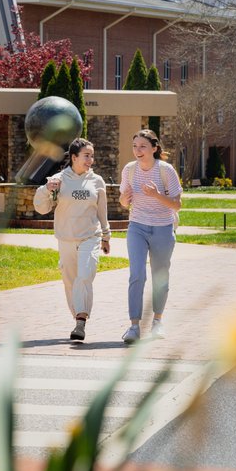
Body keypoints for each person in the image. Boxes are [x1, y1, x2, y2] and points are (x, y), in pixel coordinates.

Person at [33, 138, 111, 343]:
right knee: (70, 282)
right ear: (74, 157)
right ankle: (77, 318)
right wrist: (45, 189)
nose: (90, 160)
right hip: (66, 238)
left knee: (84, 276)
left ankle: (81, 321)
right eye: (86, 155)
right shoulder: (58, 180)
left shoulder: (97, 181)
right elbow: (41, 208)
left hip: (90, 237)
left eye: (92, 156)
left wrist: (106, 235)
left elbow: (102, 211)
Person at [119, 129, 183, 344]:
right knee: (136, 275)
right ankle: (134, 327)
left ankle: (157, 322)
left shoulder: (166, 170)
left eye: (143, 146)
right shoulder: (129, 170)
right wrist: (124, 199)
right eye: (135, 146)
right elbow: (123, 201)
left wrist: (156, 195)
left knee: (160, 278)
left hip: (163, 228)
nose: (138, 150)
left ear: (154, 148)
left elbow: (177, 205)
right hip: (137, 226)